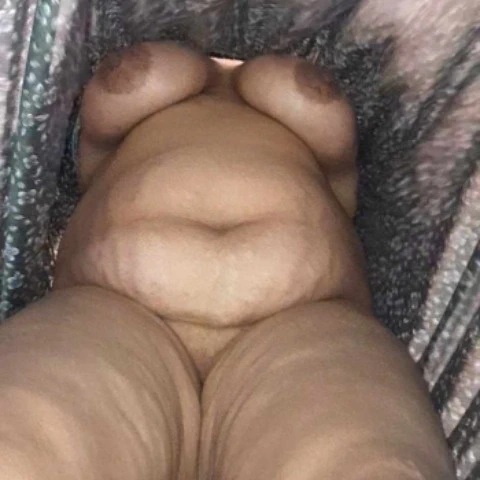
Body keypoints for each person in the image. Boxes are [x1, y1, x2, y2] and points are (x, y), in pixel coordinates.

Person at [0, 41, 455, 479]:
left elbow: (342, 186)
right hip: (115, 314)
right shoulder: (146, 99)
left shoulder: (293, 110)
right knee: (18, 451)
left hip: (303, 321)